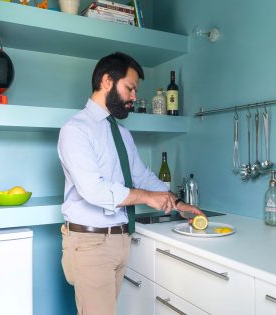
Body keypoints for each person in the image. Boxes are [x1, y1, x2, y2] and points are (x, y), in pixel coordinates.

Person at [57, 52, 203, 315]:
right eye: (130, 88)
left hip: (120, 240)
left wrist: (179, 203)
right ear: (107, 81)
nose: (134, 97)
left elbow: (142, 176)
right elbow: (94, 190)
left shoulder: (122, 134)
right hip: (90, 243)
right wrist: (147, 198)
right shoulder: (75, 130)